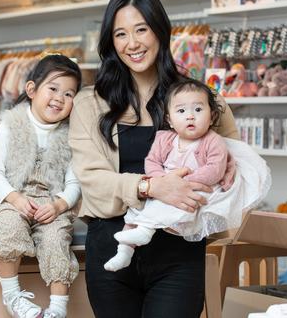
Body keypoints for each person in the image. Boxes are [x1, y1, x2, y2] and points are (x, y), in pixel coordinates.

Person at [68, 0, 239, 318]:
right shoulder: (90, 104)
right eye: (120, 34)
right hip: (110, 252)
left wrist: (232, 166)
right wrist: (151, 186)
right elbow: (91, 180)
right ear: (110, 41)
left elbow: (237, 163)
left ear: (160, 30)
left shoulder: (200, 101)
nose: (132, 43)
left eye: (141, 29)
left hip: (179, 256)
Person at [104, 79, 250, 272]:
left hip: (194, 192)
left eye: (198, 110)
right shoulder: (165, 139)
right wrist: (162, 181)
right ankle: (124, 253)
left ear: (212, 116)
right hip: (164, 188)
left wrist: (183, 183)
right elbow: (152, 161)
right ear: (170, 120)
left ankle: (144, 232)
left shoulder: (213, 141)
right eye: (181, 111)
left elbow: (215, 169)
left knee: (162, 212)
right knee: (135, 212)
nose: (190, 116)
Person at [0, 54, 83, 318]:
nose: (60, 97)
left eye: (69, 93)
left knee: (57, 238)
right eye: (53, 89)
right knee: (9, 228)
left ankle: (57, 309)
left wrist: (59, 204)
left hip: (51, 203)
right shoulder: (11, 125)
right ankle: (12, 295)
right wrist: (13, 198)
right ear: (32, 90)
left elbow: (74, 182)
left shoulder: (71, 135)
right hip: (15, 199)